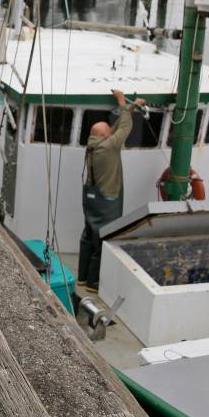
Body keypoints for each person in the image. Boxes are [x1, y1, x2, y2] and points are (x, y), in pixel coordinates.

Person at [78, 89, 146, 292]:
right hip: (106, 201)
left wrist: (130, 108)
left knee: (88, 237)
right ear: (103, 136)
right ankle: (93, 283)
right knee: (103, 240)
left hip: (91, 199)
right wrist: (121, 100)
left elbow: (115, 130)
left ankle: (81, 277)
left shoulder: (94, 145)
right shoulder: (108, 148)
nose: (110, 133)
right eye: (108, 131)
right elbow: (124, 128)